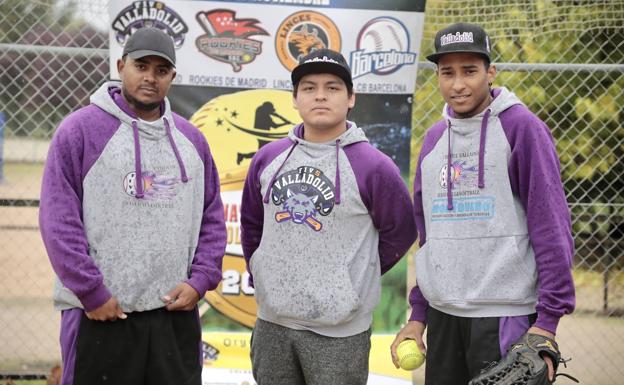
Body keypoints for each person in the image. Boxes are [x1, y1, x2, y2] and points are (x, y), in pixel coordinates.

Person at [39, 27, 227, 385]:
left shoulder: (191, 140)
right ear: (121, 65)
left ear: (172, 76)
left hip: (173, 313)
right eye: (142, 66)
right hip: (101, 312)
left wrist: (200, 279)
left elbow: (212, 218)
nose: (150, 78)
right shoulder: (80, 131)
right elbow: (58, 220)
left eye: (161, 70)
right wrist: (91, 292)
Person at [390, 22, 575, 384]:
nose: (458, 84)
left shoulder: (522, 127)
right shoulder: (433, 140)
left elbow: (550, 223)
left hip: (504, 314)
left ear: (490, 72)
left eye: (470, 71)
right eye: (448, 72)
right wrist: (418, 315)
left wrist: (547, 323)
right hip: (444, 317)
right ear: (438, 77)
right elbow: (431, 240)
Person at [241, 48, 417, 384]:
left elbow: (402, 231)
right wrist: (263, 272)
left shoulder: (373, 166)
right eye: (309, 87)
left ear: (351, 98)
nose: (320, 95)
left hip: (339, 331)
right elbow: (252, 225)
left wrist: (350, 277)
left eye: (333, 87)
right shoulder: (268, 158)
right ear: (295, 98)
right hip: (273, 323)